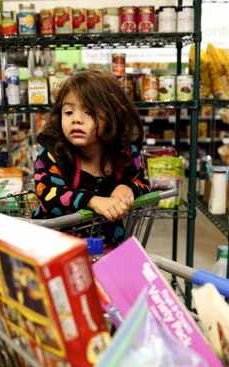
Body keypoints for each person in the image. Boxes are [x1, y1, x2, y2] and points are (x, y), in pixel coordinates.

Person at [33, 70, 150, 244]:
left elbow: (144, 183)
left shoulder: (124, 155)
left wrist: (128, 188)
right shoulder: (53, 155)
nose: (77, 120)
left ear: (112, 116)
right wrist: (92, 201)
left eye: (89, 112)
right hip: (59, 250)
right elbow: (49, 195)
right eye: (68, 112)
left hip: (108, 247)